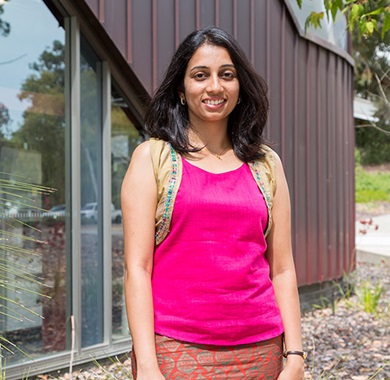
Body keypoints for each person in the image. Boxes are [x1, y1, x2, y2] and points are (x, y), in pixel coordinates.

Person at [121, 26, 304, 379]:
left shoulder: (266, 164)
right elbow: (137, 269)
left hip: (262, 350)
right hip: (176, 350)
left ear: (240, 87)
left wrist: (294, 356)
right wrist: (146, 365)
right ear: (180, 88)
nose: (215, 87)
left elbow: (282, 269)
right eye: (200, 75)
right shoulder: (152, 159)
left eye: (227, 75)